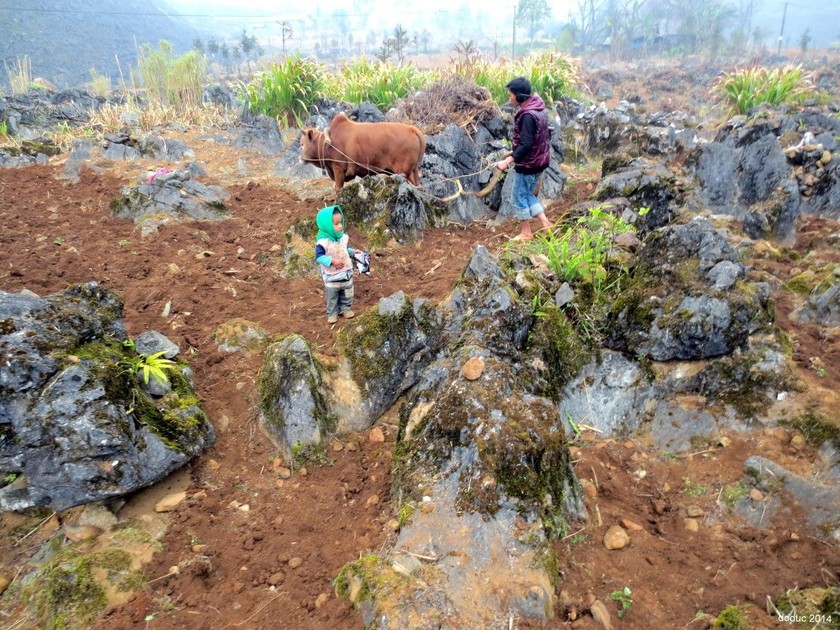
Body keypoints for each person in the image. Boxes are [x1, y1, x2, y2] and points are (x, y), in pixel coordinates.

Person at [495, 76, 553, 241]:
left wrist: (507, 161)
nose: (509, 98)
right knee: (528, 194)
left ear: (519, 96)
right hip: (540, 162)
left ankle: (526, 233)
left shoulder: (527, 115)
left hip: (528, 164)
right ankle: (546, 223)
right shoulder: (539, 108)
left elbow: (526, 144)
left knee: (518, 197)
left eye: (510, 95)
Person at [314, 205, 355, 324]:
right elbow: (319, 257)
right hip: (332, 276)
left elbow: (344, 249)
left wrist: (353, 252)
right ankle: (332, 313)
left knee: (347, 293)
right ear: (327, 225)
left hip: (346, 273)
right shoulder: (323, 242)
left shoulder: (342, 238)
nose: (340, 226)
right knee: (332, 296)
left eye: (340, 222)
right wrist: (332, 261)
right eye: (336, 224)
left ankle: (346, 309)